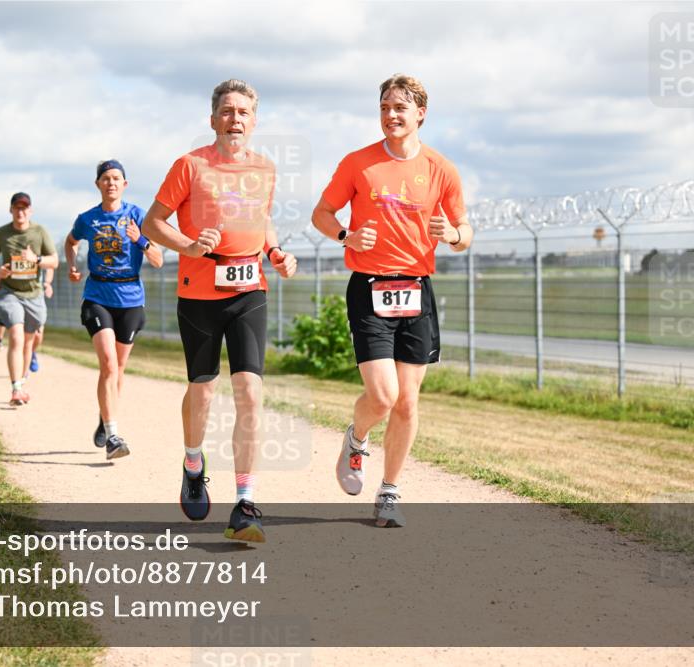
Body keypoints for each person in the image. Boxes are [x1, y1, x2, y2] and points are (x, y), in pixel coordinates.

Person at [311, 73, 474, 527]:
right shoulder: (358, 164)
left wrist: (455, 234)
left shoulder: (441, 169)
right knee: (382, 397)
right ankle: (357, 437)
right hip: (369, 286)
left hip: (416, 289)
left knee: (407, 402)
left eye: (400, 108)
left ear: (420, 113)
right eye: (384, 107)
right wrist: (346, 234)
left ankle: (389, 491)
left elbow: (466, 232)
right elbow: (321, 213)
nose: (390, 115)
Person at [141, 79, 297, 543]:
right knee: (203, 391)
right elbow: (152, 223)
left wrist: (276, 252)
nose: (235, 119)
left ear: (254, 121)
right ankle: (193, 461)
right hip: (199, 291)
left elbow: (261, 219)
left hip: (250, 288)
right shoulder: (189, 166)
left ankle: (246, 503)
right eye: (227, 111)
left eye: (244, 112)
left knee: (250, 391)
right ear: (213, 120)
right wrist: (188, 245)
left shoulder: (265, 169)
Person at [64, 159, 164, 460]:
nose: (111, 183)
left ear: (125, 184)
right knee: (108, 364)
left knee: (118, 369)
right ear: (98, 184)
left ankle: (104, 417)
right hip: (97, 295)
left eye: (116, 178)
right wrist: (72, 264)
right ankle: (113, 436)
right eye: (106, 178)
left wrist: (141, 240)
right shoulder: (88, 219)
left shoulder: (137, 216)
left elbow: (158, 259)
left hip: (131, 299)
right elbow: (71, 242)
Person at [0, 192, 58, 406]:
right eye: (17, 208)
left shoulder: (39, 232)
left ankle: (22, 380)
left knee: (29, 342)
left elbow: (53, 261)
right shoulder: (2, 233)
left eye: (24, 208)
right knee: (16, 336)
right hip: (9, 292)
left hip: (34, 294)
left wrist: (35, 259)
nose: (21, 211)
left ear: (30, 210)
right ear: (11, 210)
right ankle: (16, 388)